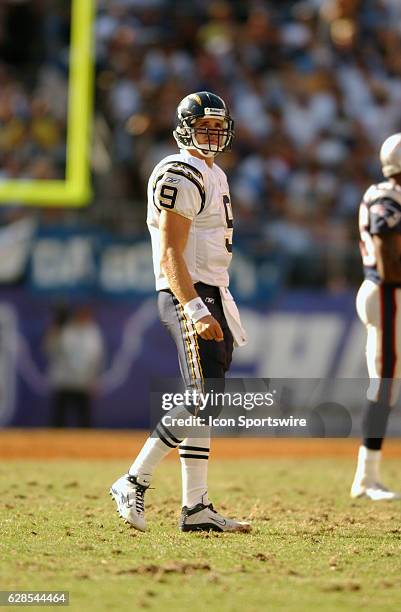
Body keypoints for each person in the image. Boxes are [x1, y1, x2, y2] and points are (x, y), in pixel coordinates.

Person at [110, 91, 251, 532]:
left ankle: (196, 508)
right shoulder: (179, 173)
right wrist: (193, 307)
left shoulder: (214, 173)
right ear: (184, 127)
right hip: (188, 291)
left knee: (208, 402)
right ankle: (134, 477)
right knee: (201, 394)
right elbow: (171, 251)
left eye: (216, 127)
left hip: (212, 290)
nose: (211, 135)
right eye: (204, 127)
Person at [351, 133, 401, 500]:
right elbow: (388, 261)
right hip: (387, 295)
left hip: (390, 295)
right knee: (383, 384)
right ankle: (366, 478)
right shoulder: (388, 197)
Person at [44, 304, 105, 428]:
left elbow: (97, 357)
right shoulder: (65, 330)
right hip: (64, 381)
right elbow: (50, 349)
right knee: (59, 419)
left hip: (83, 382)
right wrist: (55, 330)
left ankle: (85, 445)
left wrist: (94, 379)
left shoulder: (92, 332)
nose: (84, 318)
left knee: (84, 420)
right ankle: (55, 443)